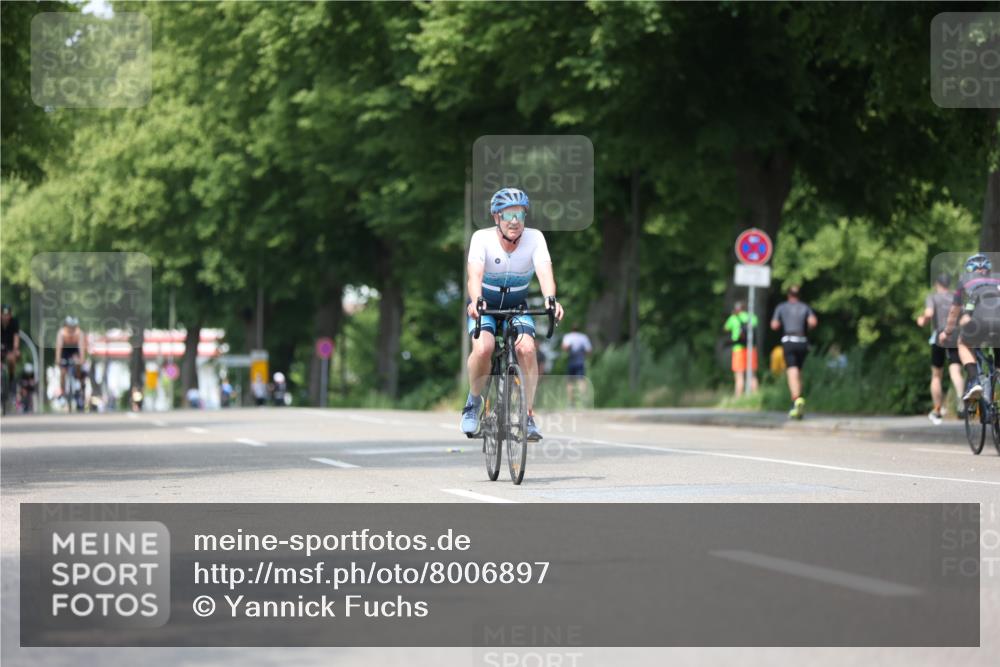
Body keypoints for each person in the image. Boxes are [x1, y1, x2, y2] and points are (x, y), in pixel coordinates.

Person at [461, 187, 564, 440]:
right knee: (483, 349)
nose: (515, 221)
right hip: (485, 305)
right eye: (508, 215)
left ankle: (528, 415)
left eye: (519, 214)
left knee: (527, 349)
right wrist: (477, 300)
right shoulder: (481, 238)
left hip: (517, 305)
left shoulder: (535, 238)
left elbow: (545, 273)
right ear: (496, 217)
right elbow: (474, 276)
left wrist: (551, 300)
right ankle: (473, 401)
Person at [939, 254, 1000, 403]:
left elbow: (954, 311)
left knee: (963, 343)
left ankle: (974, 381)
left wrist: (947, 332)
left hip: (980, 322)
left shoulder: (965, 280)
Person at [917, 273, 964, 424]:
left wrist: (922, 320)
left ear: (937, 284)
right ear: (949, 284)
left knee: (937, 375)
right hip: (954, 335)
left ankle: (937, 409)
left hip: (939, 336)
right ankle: (962, 401)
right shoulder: (955, 297)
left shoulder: (933, 297)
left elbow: (929, 313)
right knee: (955, 371)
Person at [770, 286, 818, 419]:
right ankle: (799, 399)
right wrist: (807, 326)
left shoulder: (781, 307)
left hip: (789, 341)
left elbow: (774, 325)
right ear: (799, 295)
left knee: (792, 371)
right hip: (802, 341)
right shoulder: (805, 307)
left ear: (788, 295)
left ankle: (795, 400)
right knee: (799, 371)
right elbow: (813, 322)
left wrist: (782, 322)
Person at [723, 300, 759, 395]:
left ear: (736, 309)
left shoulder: (733, 317)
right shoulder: (751, 317)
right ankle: (755, 396)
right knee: (752, 374)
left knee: (739, 375)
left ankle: (738, 397)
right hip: (751, 348)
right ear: (744, 308)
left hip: (738, 349)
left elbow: (726, 328)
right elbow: (756, 324)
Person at [54, 316, 87, 407]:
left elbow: (81, 348)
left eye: (73, 327)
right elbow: (59, 348)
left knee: (78, 363)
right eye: (70, 327)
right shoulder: (61, 333)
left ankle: (78, 384)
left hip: (74, 350)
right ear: (66, 326)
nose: (71, 329)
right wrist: (58, 359)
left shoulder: (79, 333)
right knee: (63, 372)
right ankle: (62, 392)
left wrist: (82, 360)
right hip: (65, 351)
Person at [561, 324, 592, 407]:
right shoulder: (583, 337)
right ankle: (583, 400)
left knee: (570, 382)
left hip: (571, 361)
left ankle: (571, 402)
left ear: (571, 329)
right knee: (581, 380)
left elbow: (564, 347)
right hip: (580, 361)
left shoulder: (568, 336)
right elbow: (589, 351)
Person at [1, 304, 20, 383]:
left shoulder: (14, 323)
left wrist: (16, 350)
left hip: (10, 347)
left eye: (7, 315)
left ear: (10, 315)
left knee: (11, 359)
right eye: (4, 315)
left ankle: (11, 378)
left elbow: (16, 338)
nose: (5, 317)